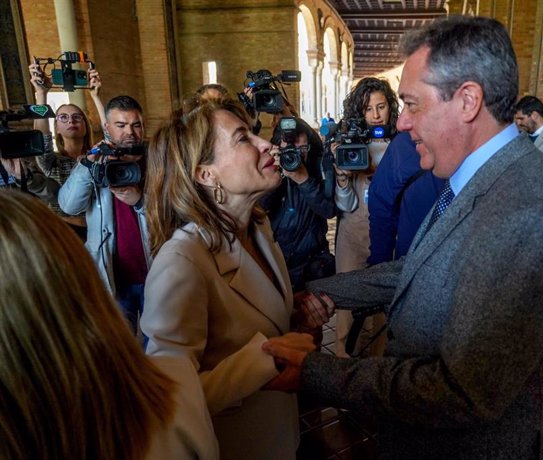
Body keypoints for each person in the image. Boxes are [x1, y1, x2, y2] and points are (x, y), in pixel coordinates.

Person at [262, 15, 543, 459]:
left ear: (468, 100)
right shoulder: (487, 178)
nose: (401, 123)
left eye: (413, 104)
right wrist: (324, 293)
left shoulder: (526, 212)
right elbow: (426, 268)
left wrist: (318, 372)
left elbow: (464, 392)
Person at [141, 100, 326, 460]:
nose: (266, 145)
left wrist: (295, 319)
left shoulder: (258, 227)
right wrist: (269, 357)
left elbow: (258, 318)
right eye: (243, 138)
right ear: (205, 174)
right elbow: (171, 399)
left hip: (281, 434)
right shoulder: (183, 261)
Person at [0, 190, 218, 460]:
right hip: (118, 277)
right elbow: (68, 203)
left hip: (142, 271)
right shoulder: (178, 389)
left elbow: (167, 212)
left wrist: (139, 200)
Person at [58, 95, 149, 332]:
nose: (130, 132)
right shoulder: (94, 163)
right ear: (107, 128)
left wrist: (140, 201)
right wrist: (88, 164)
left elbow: (175, 212)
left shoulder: (158, 161)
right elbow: (68, 206)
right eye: (121, 125)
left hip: (155, 272)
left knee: (160, 345)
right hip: (112, 275)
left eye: (136, 124)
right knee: (122, 346)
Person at [334, 76, 399, 357]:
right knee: (347, 304)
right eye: (367, 109)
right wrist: (343, 179)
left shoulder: (401, 146)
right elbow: (346, 205)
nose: (375, 115)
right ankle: (341, 363)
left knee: (384, 307)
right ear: (358, 112)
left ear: (390, 108)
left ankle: (375, 370)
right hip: (354, 232)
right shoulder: (349, 145)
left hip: (388, 233)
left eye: (381, 107)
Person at [29, 61, 105, 239]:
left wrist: (95, 96)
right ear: (56, 128)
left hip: (98, 229)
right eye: (63, 117)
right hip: (64, 231)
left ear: (85, 126)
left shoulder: (96, 157)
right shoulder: (52, 161)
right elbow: (41, 140)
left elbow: (112, 134)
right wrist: (41, 94)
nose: (71, 121)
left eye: (77, 117)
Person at [261, 116, 336, 291]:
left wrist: (304, 180)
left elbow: (328, 210)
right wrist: (271, 174)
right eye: (291, 149)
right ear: (278, 147)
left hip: (311, 261)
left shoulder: (320, 167)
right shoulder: (270, 167)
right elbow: (258, 209)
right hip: (276, 259)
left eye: (303, 148)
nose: (297, 155)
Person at [367, 131, 443, 265]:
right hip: (409, 267)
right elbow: (381, 212)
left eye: (414, 108)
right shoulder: (404, 143)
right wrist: (378, 271)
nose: (401, 123)